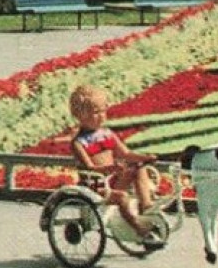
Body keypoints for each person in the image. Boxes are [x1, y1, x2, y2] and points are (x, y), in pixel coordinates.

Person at [68, 84, 161, 244]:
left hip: (112, 180)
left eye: (103, 111)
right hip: (96, 185)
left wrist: (143, 158)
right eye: (95, 112)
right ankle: (138, 227)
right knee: (122, 197)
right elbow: (90, 167)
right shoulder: (79, 142)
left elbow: (125, 154)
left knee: (139, 170)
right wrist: (110, 168)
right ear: (80, 115)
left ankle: (145, 205)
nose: (101, 116)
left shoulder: (107, 134)